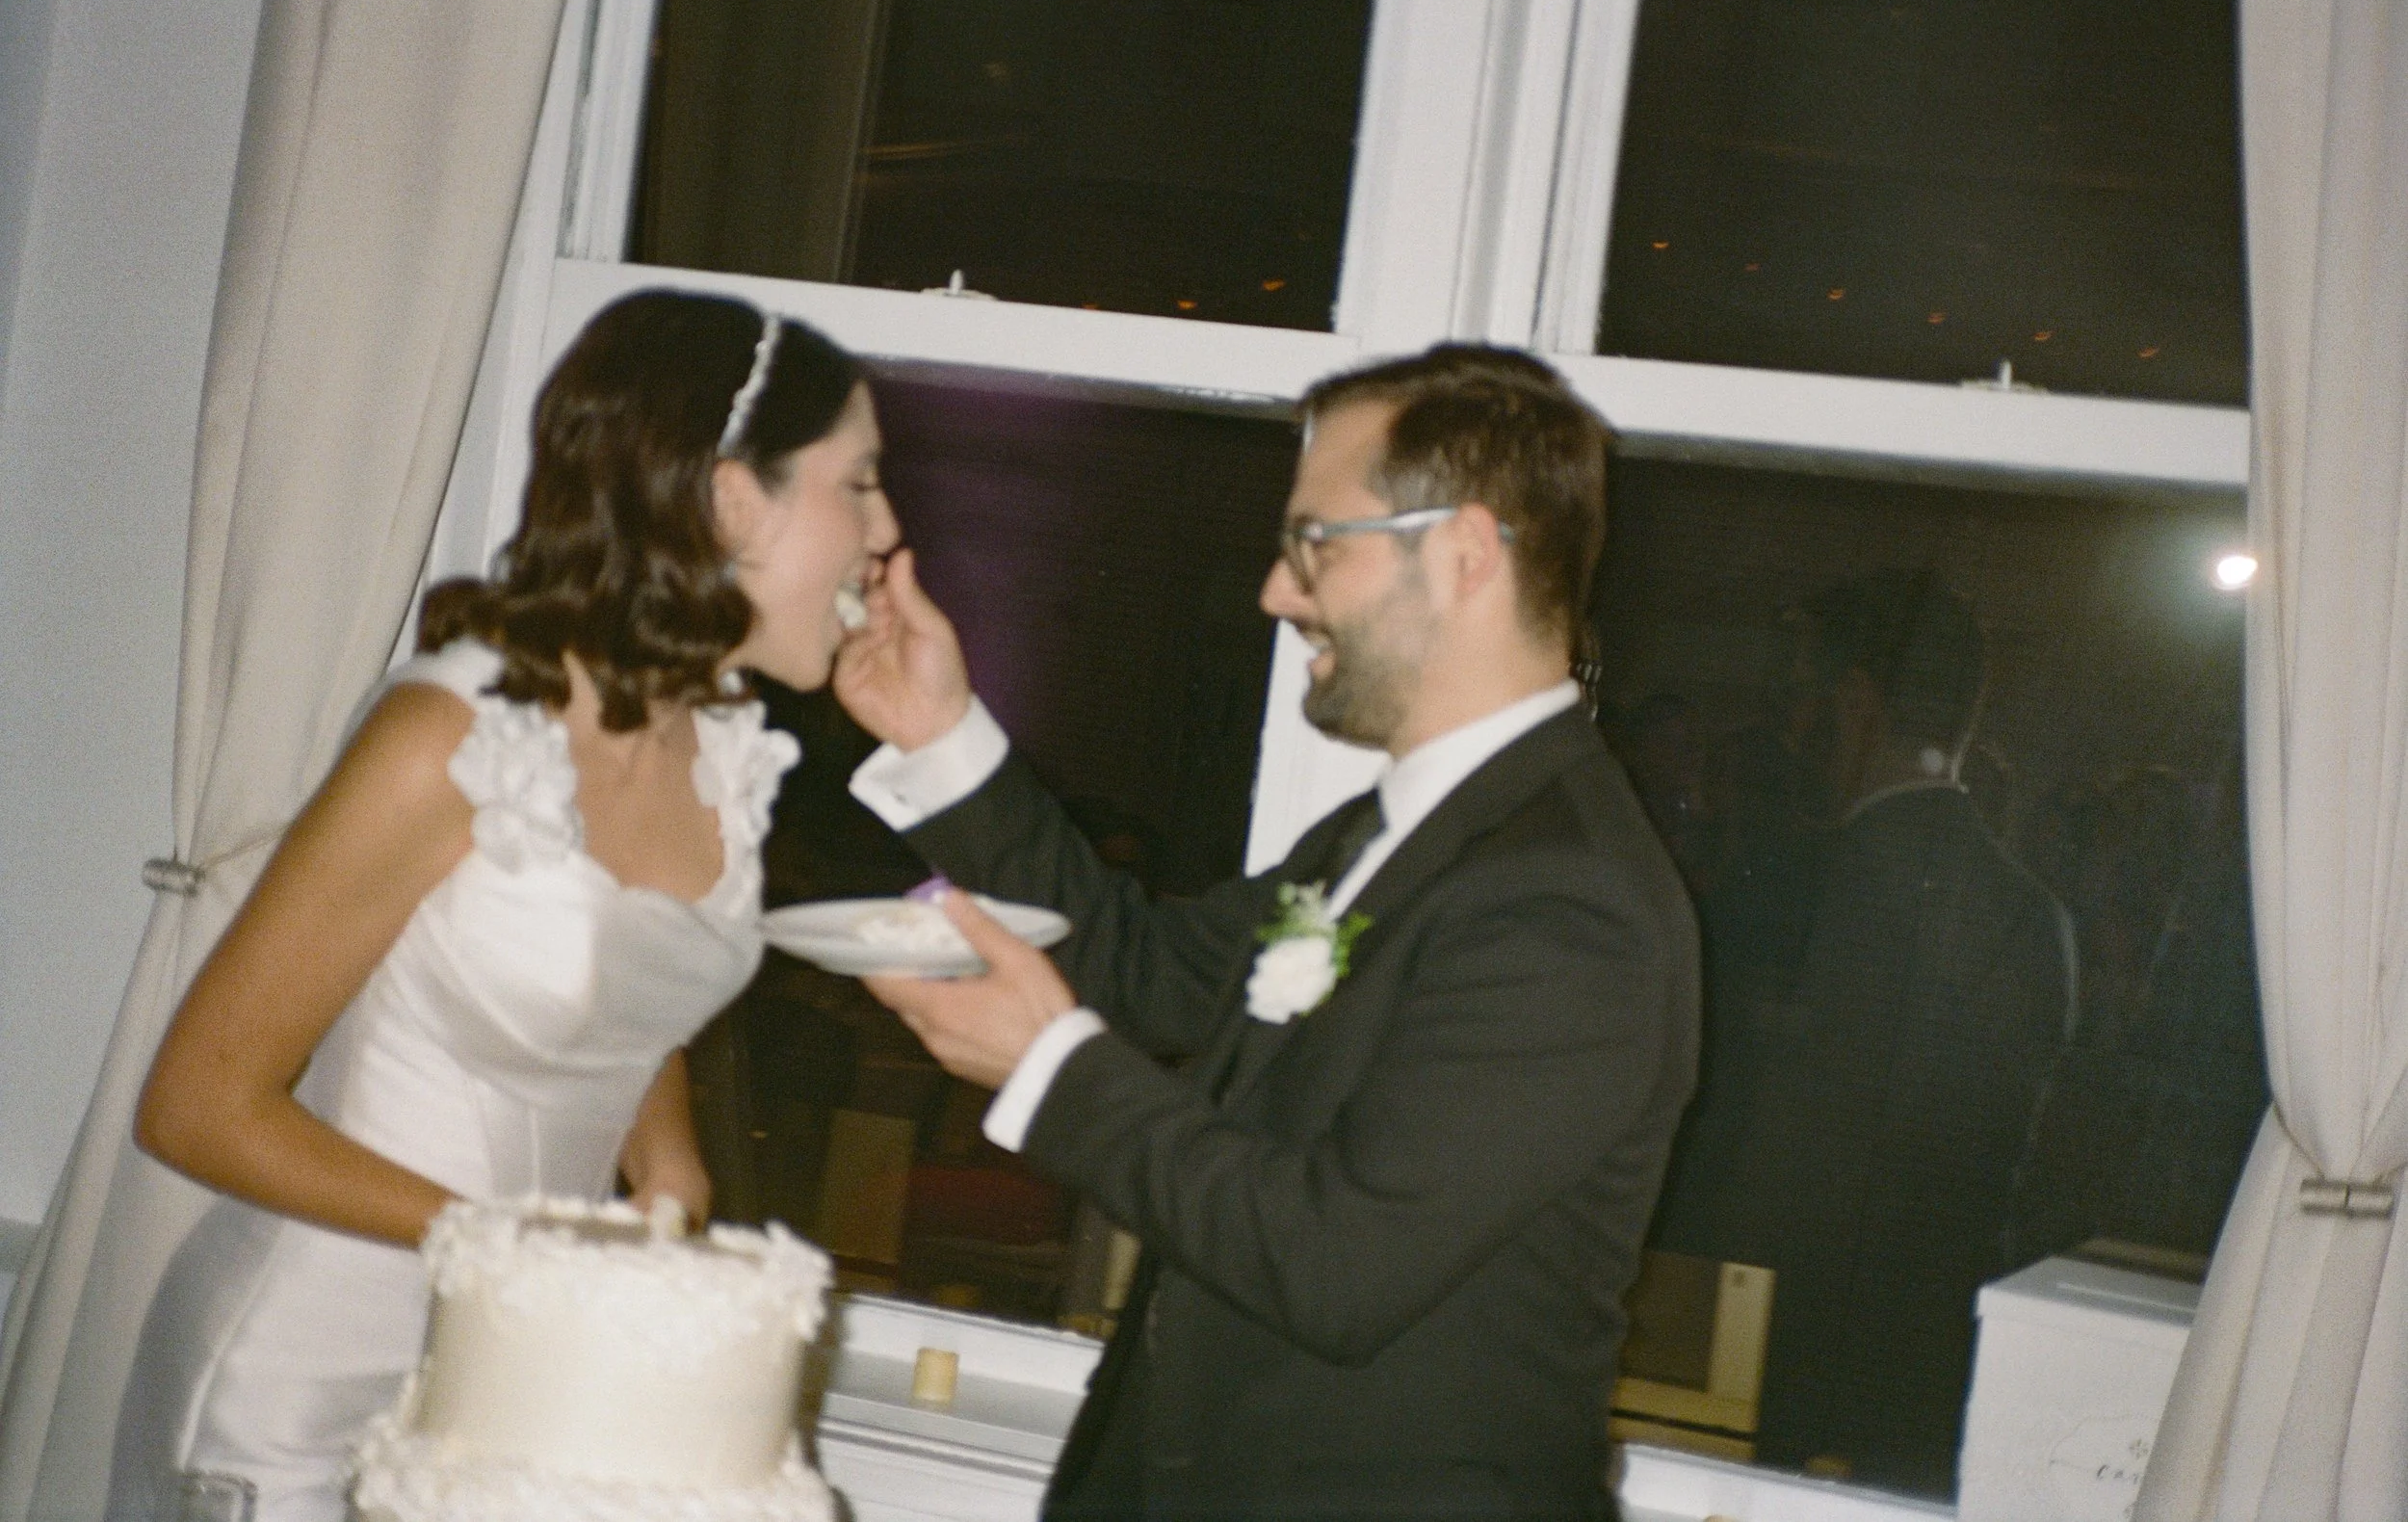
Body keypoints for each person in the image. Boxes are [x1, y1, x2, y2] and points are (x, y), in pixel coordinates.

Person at [834, 344, 1700, 1520]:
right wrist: (937, 731)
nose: (1276, 594)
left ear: (1464, 553)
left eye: (1314, 544)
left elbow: (1337, 1263)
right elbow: (1142, 968)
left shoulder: (1569, 905)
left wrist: (1047, 1069)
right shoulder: (1391, 835)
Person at [107, 289, 897, 1521]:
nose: (885, 531)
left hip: (519, 1391)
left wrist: (666, 1162)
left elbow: (612, 973)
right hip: (294, 1407)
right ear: (734, 501)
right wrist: (525, 1249)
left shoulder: (721, 742)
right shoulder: (447, 738)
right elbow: (193, 1108)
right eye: (859, 485)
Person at [1722, 570, 2075, 1494]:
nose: (1790, 729)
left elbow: (1754, 1158)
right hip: (1930, 1378)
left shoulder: (1799, 889)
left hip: (1771, 1368)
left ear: (1854, 701)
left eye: (1800, 697)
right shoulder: (2036, 918)